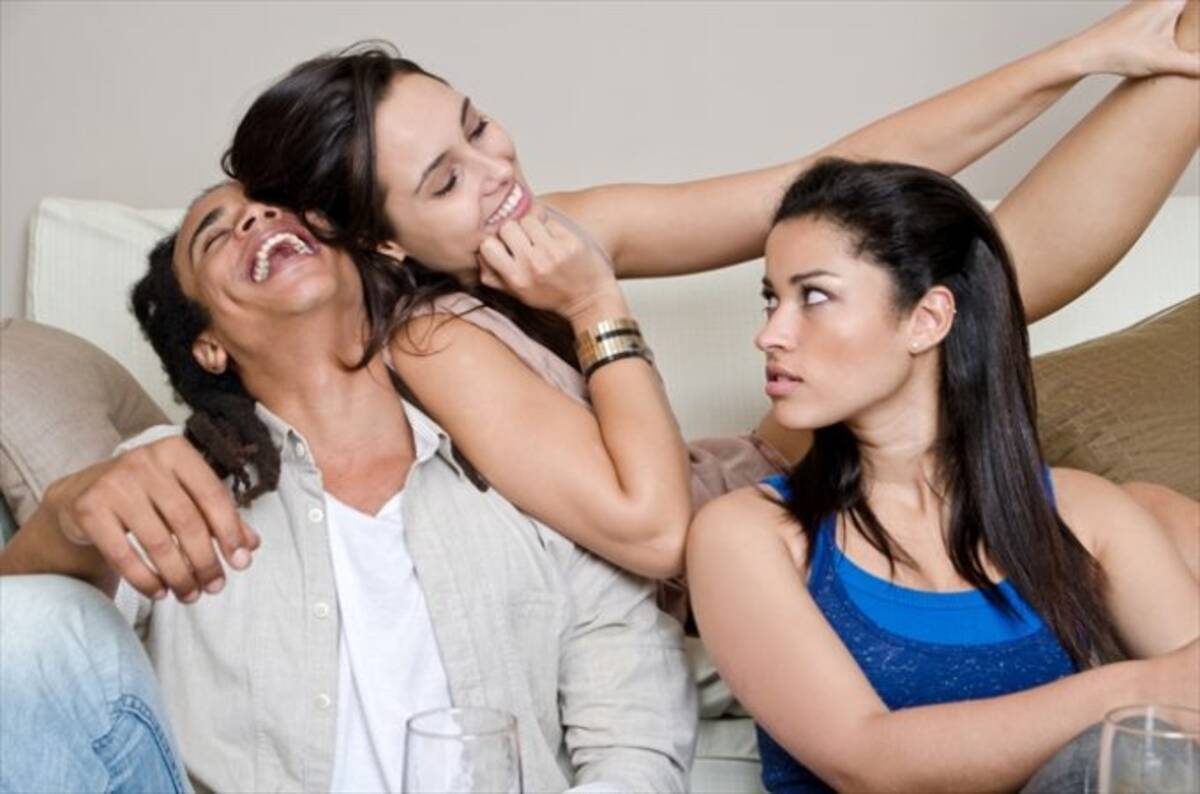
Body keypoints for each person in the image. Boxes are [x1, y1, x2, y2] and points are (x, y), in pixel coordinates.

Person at [222, 0, 1200, 582]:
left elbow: (825, 182)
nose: (497, 171)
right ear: (381, 239)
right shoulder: (433, 339)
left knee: (958, 271)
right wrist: (593, 302)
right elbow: (657, 533)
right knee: (982, 290)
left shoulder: (539, 229)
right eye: (445, 180)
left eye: (478, 127)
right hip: (736, 560)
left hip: (770, 475)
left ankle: (1172, 42)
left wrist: (1080, 56)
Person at [0, 182, 697, 792]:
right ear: (207, 345)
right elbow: (33, 660)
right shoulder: (169, 480)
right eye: (216, 234)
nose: (256, 217)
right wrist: (67, 516)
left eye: (276, 205)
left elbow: (634, 735)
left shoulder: (521, 462)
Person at [685, 157, 1200, 794]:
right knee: (1116, 745)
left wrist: (1160, 696)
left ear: (927, 318)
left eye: (813, 297)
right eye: (772, 299)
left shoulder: (1088, 516)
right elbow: (866, 760)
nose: (771, 335)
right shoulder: (745, 534)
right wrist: (1135, 688)